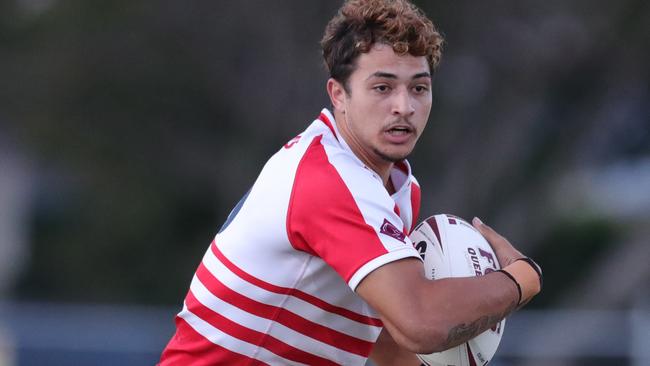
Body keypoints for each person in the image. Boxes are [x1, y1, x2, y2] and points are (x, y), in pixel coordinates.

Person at [159, 0, 542, 365]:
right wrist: (520, 280)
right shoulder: (329, 180)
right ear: (338, 94)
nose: (404, 107)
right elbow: (421, 323)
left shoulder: (396, 190)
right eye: (383, 87)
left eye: (419, 88)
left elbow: (388, 341)